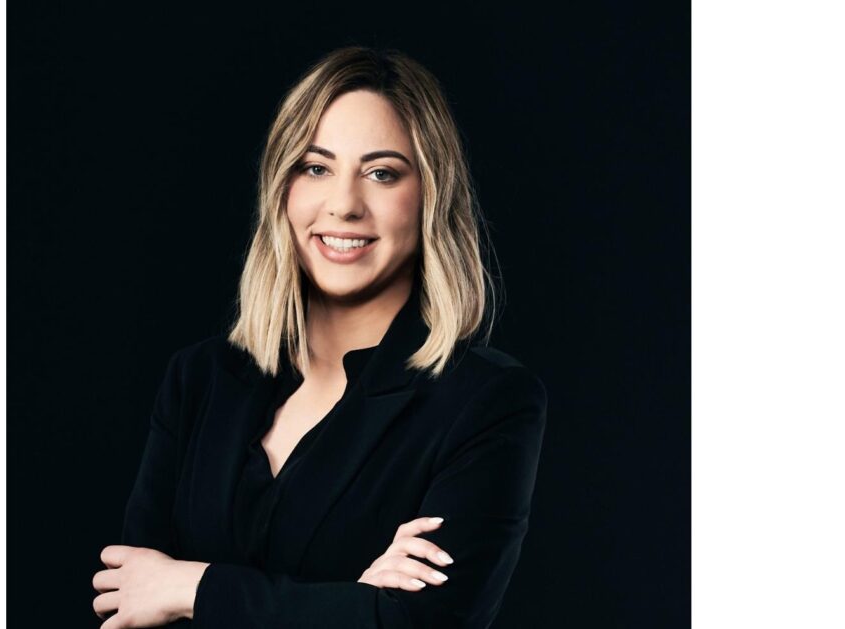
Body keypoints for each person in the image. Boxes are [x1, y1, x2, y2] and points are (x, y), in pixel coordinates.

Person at [92, 46, 548, 628]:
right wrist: (351, 604)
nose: (344, 205)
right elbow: (128, 604)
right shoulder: (199, 381)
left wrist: (192, 587)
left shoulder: (485, 401)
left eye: (382, 173)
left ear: (431, 196)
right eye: (316, 168)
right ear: (281, 187)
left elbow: (422, 625)